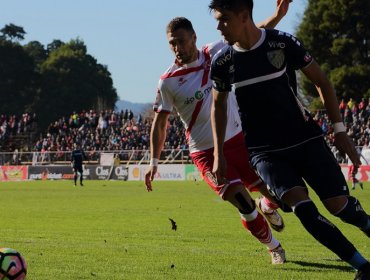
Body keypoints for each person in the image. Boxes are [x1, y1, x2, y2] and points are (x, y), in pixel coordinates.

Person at [208, 0, 370, 279]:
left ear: (244, 16)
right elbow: (218, 106)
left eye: (224, 19)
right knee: (305, 211)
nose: (218, 26)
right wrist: (218, 155)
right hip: (264, 152)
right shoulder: (223, 62)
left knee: (339, 207)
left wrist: (340, 130)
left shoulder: (282, 43)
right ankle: (363, 267)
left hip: (305, 140)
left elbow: (322, 81)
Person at [145, 0, 292, 265]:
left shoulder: (216, 52)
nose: (177, 48)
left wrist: (277, 15)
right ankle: (274, 248)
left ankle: (268, 204)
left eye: (181, 40)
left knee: (280, 198)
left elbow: (253, 34)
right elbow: (160, 122)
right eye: (172, 43)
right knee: (243, 205)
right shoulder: (167, 81)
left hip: (240, 141)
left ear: (194, 37)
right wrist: (153, 161)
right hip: (204, 152)